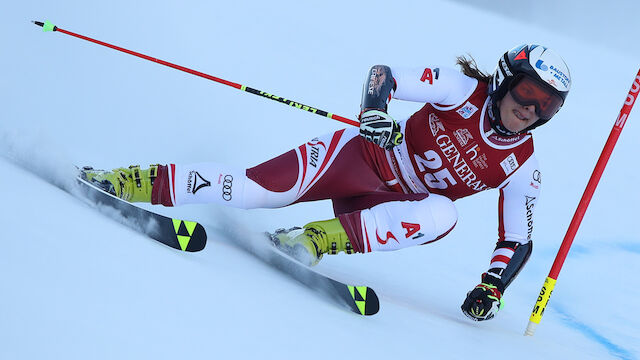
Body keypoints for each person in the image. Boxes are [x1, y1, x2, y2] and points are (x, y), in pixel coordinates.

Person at [84, 44, 571, 321]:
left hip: (384, 208)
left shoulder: (523, 164)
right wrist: (375, 112)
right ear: (506, 81)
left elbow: (517, 238)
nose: (530, 109)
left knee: (444, 213)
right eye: (527, 92)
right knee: (256, 191)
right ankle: (130, 182)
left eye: (545, 105)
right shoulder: (462, 89)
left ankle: (311, 241)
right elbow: (385, 74)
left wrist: (492, 287)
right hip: (361, 157)